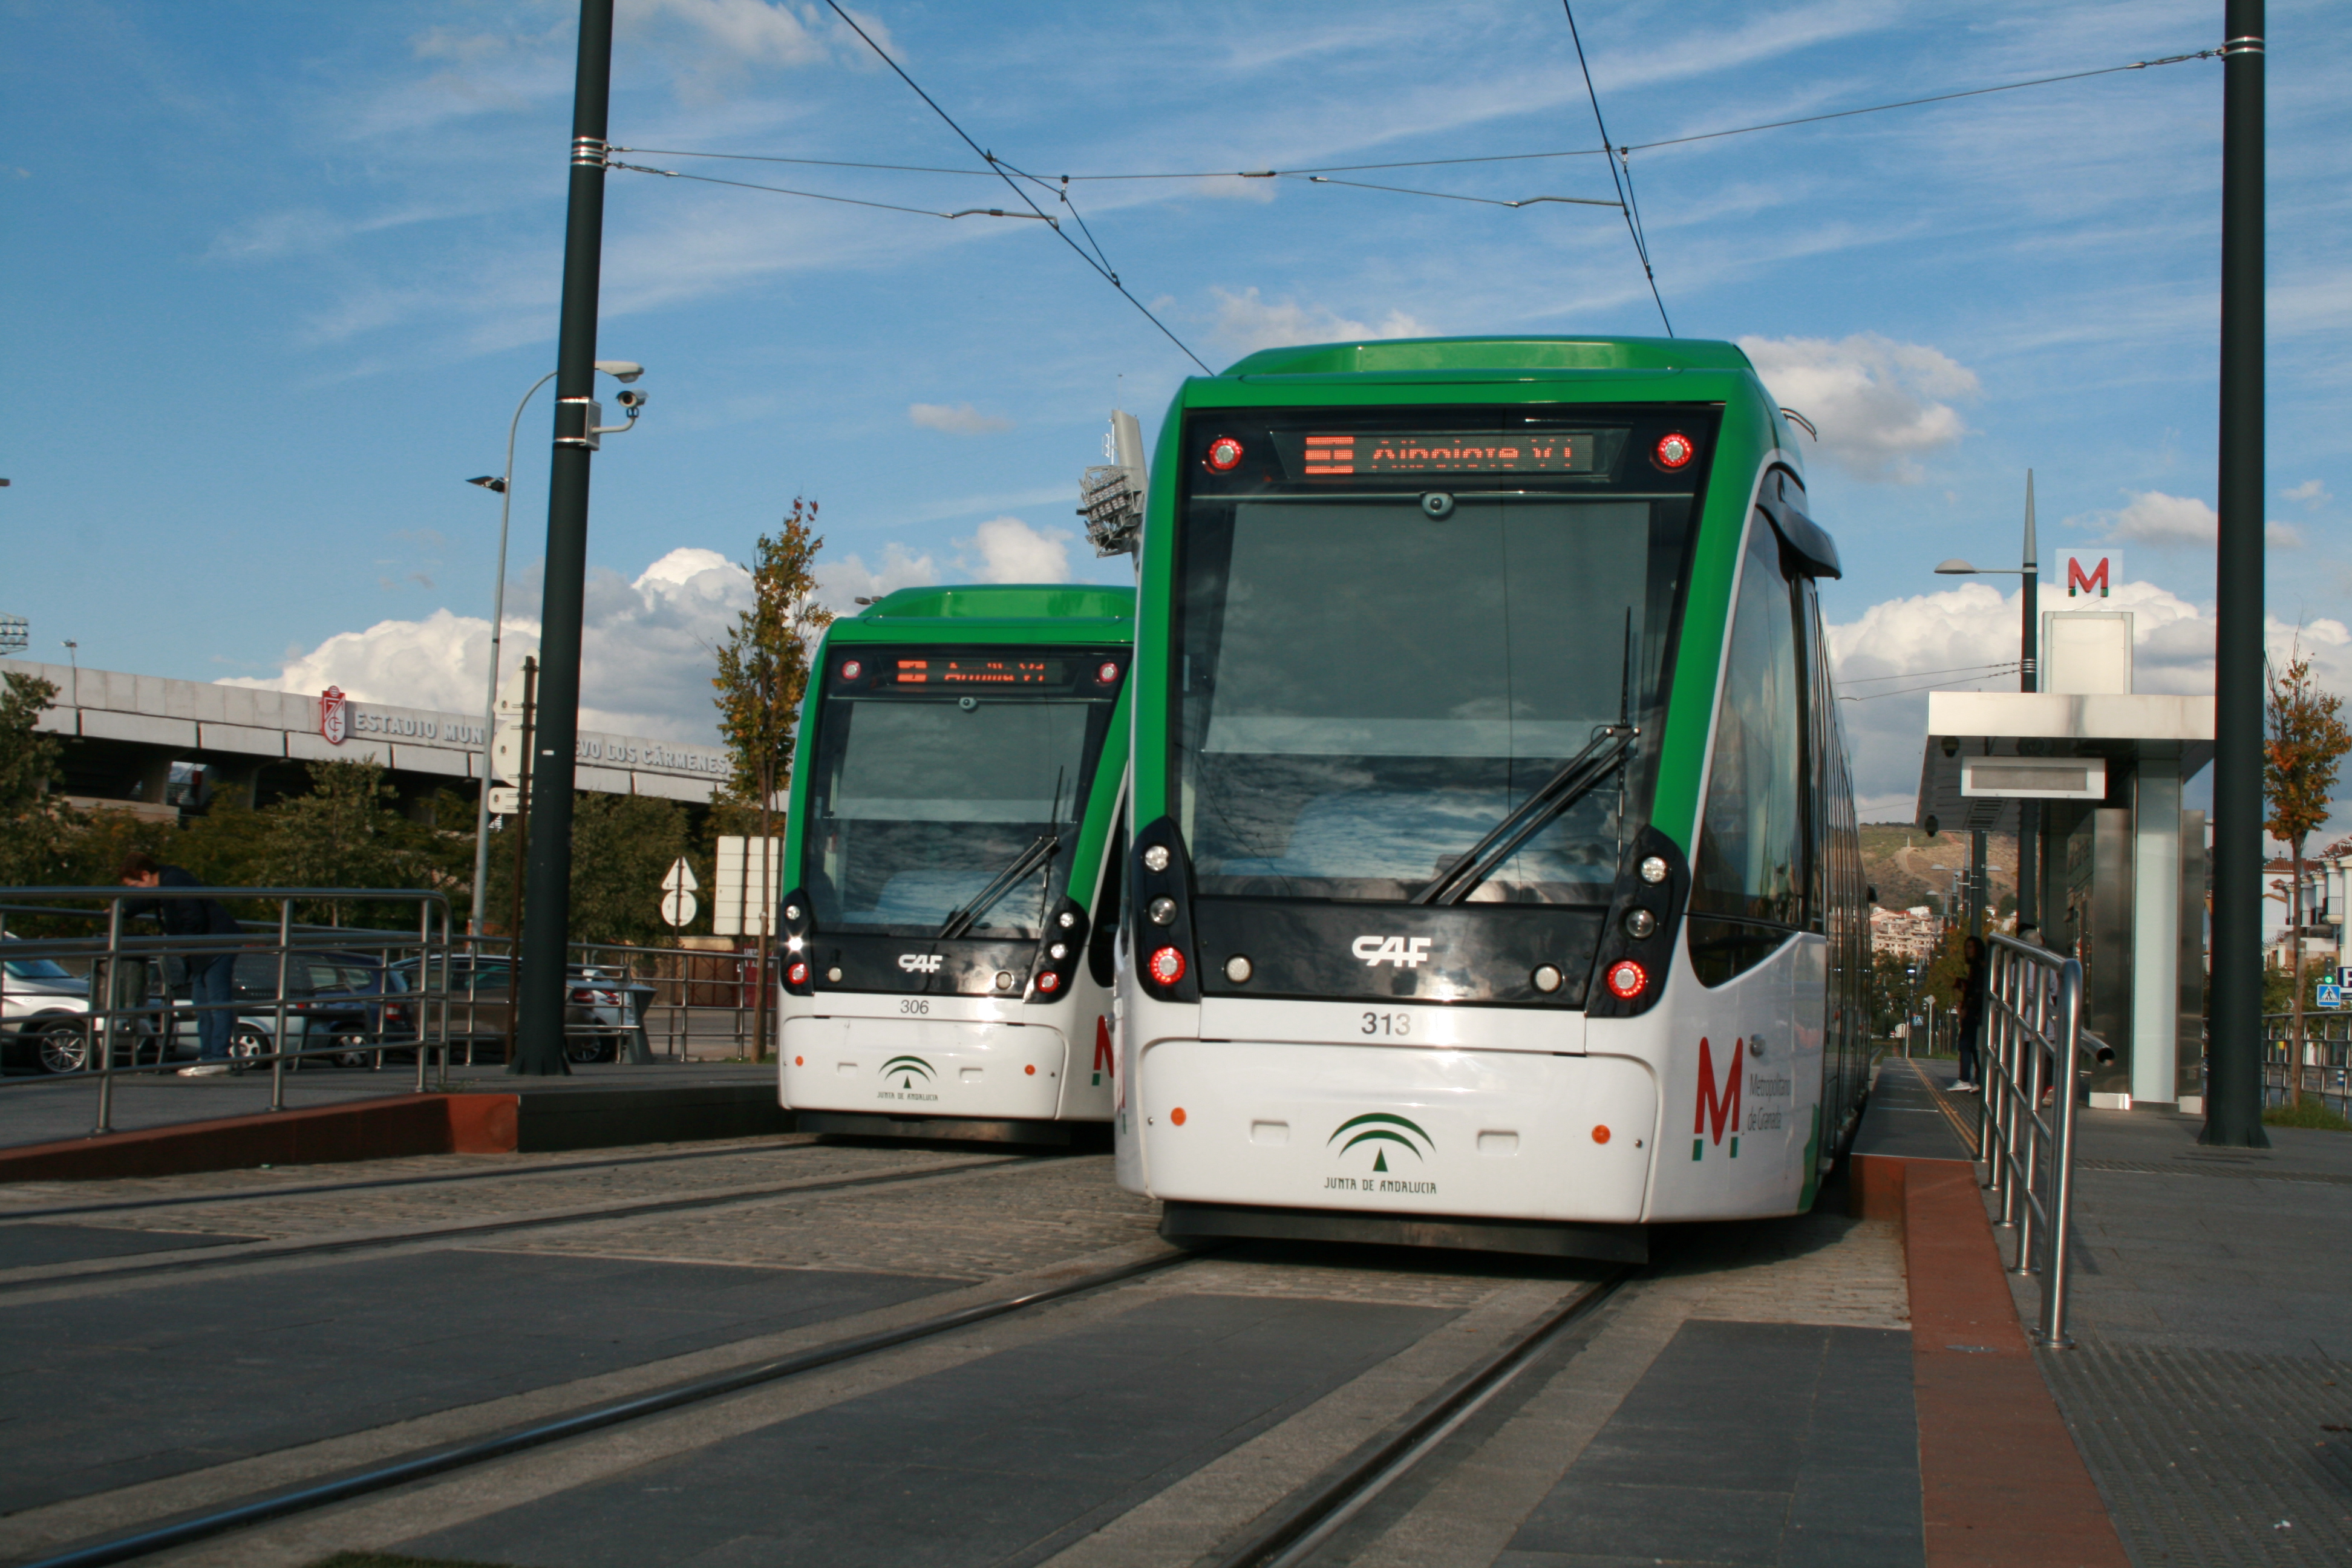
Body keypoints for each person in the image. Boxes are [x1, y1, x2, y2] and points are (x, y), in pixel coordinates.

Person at [118, 852, 242, 1077]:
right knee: (203, 1003)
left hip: (216, 943)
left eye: (136, 884)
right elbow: (146, 900)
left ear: (145, 875)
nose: (137, 890)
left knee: (216, 1001)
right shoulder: (163, 883)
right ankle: (209, 1056)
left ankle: (220, 1057)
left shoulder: (174, 879)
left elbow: (192, 914)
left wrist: (184, 944)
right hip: (204, 948)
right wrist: (123, 910)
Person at [1952, 934, 1988, 1092]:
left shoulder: (1979, 967)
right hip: (1976, 1011)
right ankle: (1978, 1080)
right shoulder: (1979, 966)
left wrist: (1968, 1009)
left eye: (1971, 947)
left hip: (1975, 1012)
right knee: (1973, 1046)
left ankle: (1965, 1079)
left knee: (1966, 1044)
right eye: (1966, 947)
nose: (1968, 950)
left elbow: (1978, 990)